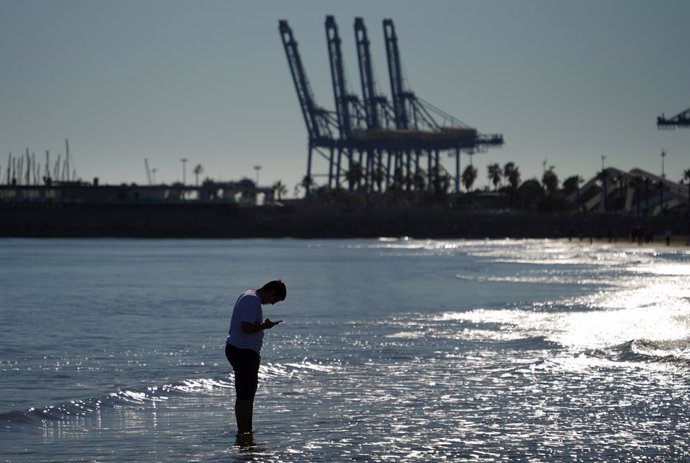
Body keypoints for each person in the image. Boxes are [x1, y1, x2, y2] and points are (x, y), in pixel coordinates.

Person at [225, 280, 286, 438]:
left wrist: (262, 326)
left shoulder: (248, 295)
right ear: (271, 291)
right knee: (244, 396)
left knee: (247, 394)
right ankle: (243, 433)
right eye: (275, 300)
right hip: (243, 351)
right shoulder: (252, 300)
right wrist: (263, 326)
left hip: (241, 350)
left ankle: (246, 432)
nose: (272, 304)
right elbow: (245, 327)